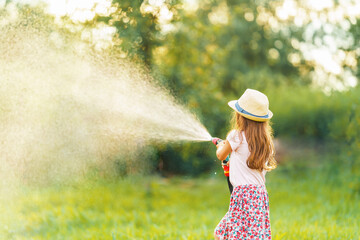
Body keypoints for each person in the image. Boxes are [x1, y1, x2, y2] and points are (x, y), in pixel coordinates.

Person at [214, 89, 277, 240]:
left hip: (243, 195)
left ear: (240, 116)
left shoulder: (236, 136)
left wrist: (221, 146)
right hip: (259, 195)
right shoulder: (266, 143)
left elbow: (221, 155)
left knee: (226, 234)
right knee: (222, 233)